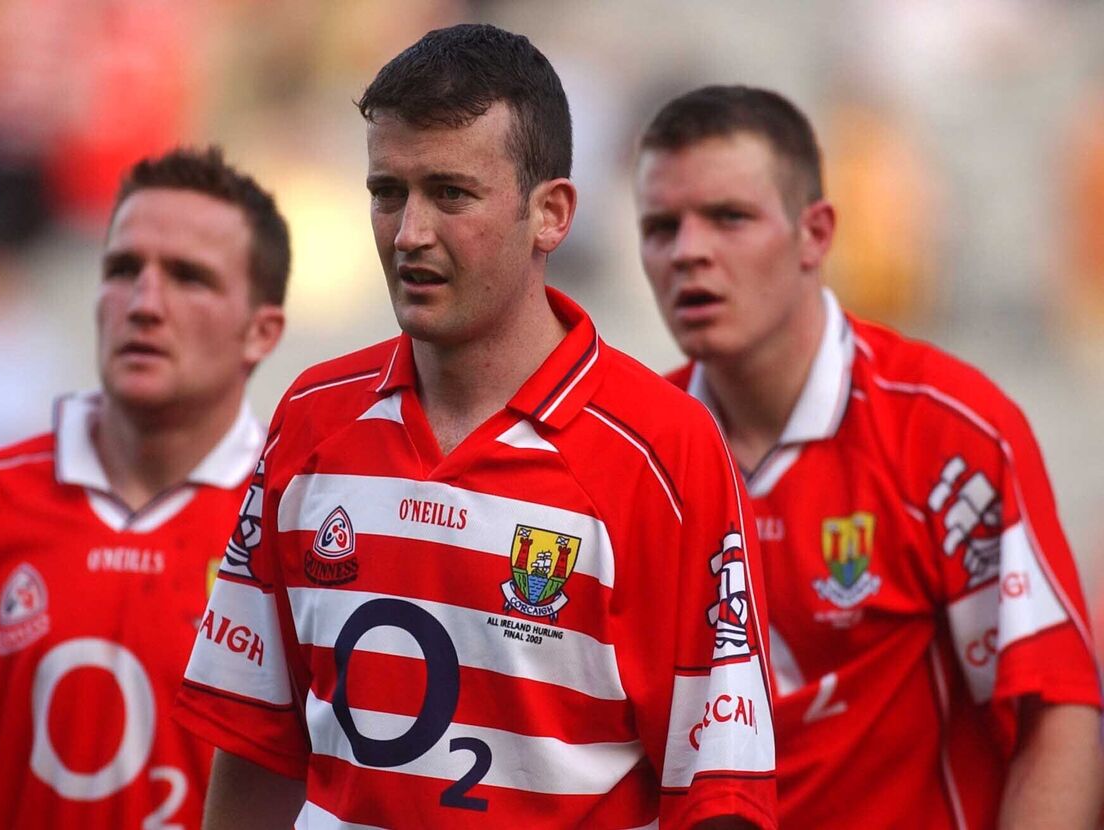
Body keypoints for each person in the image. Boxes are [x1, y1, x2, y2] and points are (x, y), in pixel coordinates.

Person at [174, 24, 776, 830]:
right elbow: (255, 747)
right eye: (388, 193)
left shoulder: (664, 454)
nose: (409, 233)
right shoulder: (312, 420)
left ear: (552, 214)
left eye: (450, 194)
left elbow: (719, 794)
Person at [633, 85, 1104, 828]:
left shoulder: (949, 433)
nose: (689, 250)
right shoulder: (630, 452)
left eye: (729, 217)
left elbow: (1055, 708)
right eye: (661, 226)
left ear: (816, 234)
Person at [0, 146, 290, 829]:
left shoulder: (298, 529)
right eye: (122, 269)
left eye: (188, 278)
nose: (144, 302)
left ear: (260, 333)